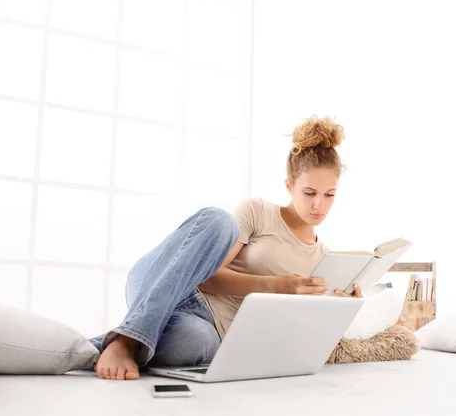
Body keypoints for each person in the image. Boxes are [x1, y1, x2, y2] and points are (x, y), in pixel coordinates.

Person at [89, 115, 363, 380]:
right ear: (290, 186)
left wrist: (342, 309)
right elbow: (206, 279)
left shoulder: (323, 258)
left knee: (198, 342)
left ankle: (94, 347)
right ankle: (125, 342)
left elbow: (298, 332)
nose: (319, 205)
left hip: (212, 329)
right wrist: (275, 286)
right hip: (174, 284)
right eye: (309, 193)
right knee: (221, 222)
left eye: (329, 195)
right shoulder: (258, 212)